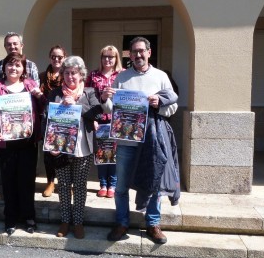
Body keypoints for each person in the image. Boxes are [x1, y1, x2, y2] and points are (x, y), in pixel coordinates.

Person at [102, 37, 179, 244]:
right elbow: (112, 110)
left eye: (141, 51)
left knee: (153, 183)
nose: (137, 55)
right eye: (133, 52)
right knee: (121, 187)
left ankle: (153, 224)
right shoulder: (122, 78)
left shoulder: (161, 76)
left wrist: (158, 104)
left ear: (149, 52)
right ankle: (122, 222)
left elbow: (173, 107)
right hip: (127, 142)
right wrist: (104, 99)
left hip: (151, 141)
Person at [0, 53, 44, 236]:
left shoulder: (31, 85)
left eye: (18, 65)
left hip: (28, 140)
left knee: (27, 180)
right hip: (5, 142)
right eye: (10, 65)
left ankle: (29, 216)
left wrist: (39, 96)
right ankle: (11, 218)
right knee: (9, 180)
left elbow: (44, 108)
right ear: (4, 67)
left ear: (23, 69)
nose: (13, 68)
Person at [46, 56, 110, 239]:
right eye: (66, 73)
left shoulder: (89, 92)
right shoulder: (56, 93)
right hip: (61, 148)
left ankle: (78, 222)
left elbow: (97, 113)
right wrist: (50, 144)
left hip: (83, 147)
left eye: (74, 73)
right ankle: (65, 221)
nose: (70, 76)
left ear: (81, 74)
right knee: (64, 185)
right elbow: (46, 116)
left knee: (80, 186)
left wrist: (77, 105)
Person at [85, 45, 124, 199]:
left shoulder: (122, 75)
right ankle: (102, 184)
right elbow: (87, 97)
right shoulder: (93, 75)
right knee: (101, 155)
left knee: (114, 156)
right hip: (99, 121)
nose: (107, 59)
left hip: (117, 122)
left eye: (111, 57)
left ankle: (113, 185)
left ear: (116, 59)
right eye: (105, 56)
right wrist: (92, 119)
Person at [39, 45, 67, 197]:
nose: (57, 59)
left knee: (65, 152)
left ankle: (65, 183)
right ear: (50, 57)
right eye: (54, 56)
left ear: (64, 58)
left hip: (65, 118)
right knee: (48, 153)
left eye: (60, 57)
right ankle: (50, 181)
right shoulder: (42, 76)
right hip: (47, 118)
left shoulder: (68, 75)